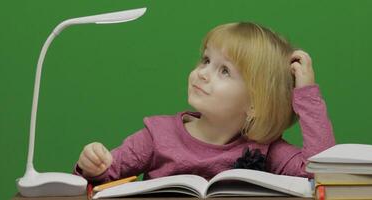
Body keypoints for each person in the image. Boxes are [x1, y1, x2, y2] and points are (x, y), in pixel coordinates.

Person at [74, 22, 335, 183]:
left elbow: (320, 174)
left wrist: (307, 95)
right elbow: (102, 176)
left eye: (224, 71)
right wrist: (92, 166)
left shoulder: (265, 150)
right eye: (206, 60)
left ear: (254, 104)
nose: (202, 73)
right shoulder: (156, 136)